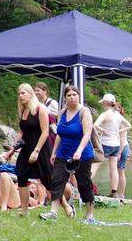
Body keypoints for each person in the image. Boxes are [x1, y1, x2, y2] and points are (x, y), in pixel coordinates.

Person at [41, 86, 97, 223]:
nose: (72, 97)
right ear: (65, 98)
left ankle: (89, 214)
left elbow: (87, 134)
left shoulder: (84, 112)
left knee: (84, 183)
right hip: (63, 153)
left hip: (82, 155)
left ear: (78, 96)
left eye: (74, 94)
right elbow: (59, 134)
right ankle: (53, 212)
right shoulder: (63, 112)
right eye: (69, 95)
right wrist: (54, 151)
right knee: (57, 181)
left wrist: (78, 151)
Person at [15, 83, 52, 217]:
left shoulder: (40, 109)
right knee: (21, 174)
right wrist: (12, 149)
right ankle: (24, 210)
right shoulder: (23, 110)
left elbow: (45, 132)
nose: (20, 96)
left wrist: (36, 151)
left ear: (31, 94)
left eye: (23, 93)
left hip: (41, 148)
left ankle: (66, 206)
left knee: (47, 178)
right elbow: (21, 131)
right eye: (19, 93)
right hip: (26, 148)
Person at [93, 93, 132, 200]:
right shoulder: (118, 115)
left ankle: (85, 189)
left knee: (95, 165)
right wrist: (118, 131)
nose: (102, 105)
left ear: (106, 103)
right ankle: (114, 192)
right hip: (116, 144)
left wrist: (104, 130)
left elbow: (95, 125)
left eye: (103, 103)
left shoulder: (105, 114)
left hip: (105, 143)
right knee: (113, 168)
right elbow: (129, 125)